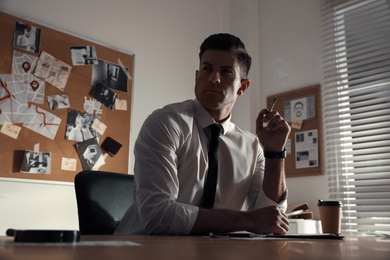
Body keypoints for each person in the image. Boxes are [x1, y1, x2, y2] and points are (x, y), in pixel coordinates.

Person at [115, 33, 291, 235]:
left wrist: (274, 154)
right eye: (207, 69)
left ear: (242, 87)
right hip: (141, 249)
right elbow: (158, 217)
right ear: (197, 76)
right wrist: (247, 220)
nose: (214, 78)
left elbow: (270, 219)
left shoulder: (251, 146)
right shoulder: (166, 123)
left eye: (226, 72)